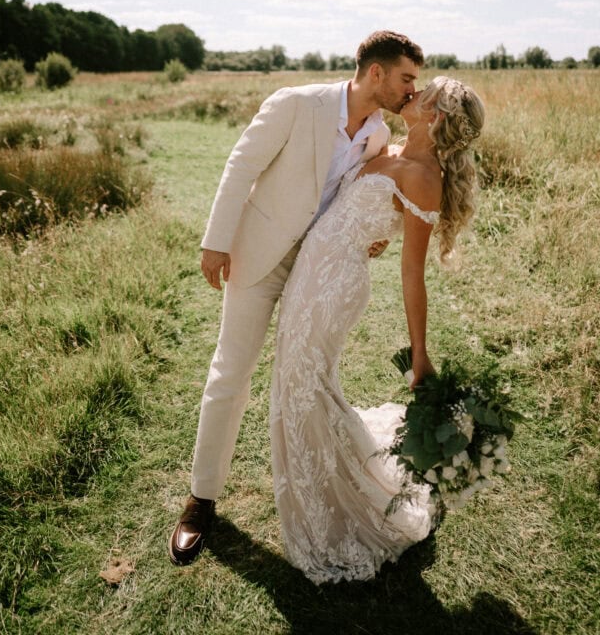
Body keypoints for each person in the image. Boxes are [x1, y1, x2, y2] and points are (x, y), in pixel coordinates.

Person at [169, 31, 425, 565]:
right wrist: (216, 242)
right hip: (257, 256)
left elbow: (359, 193)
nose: (410, 90)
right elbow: (241, 167)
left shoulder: (378, 135)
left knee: (304, 379)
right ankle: (201, 499)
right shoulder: (294, 103)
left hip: (316, 271)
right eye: (406, 78)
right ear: (375, 73)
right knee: (231, 372)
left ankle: (315, 491)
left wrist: (370, 231)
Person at [270, 75, 485, 584]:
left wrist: (420, 353)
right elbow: (358, 207)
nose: (414, 92)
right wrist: (375, 232)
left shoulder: (424, 176)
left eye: (426, 93)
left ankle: (339, 510)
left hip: (335, 285)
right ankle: (322, 485)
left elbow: (414, 274)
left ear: (436, 117)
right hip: (311, 271)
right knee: (295, 380)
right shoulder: (385, 144)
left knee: (305, 385)